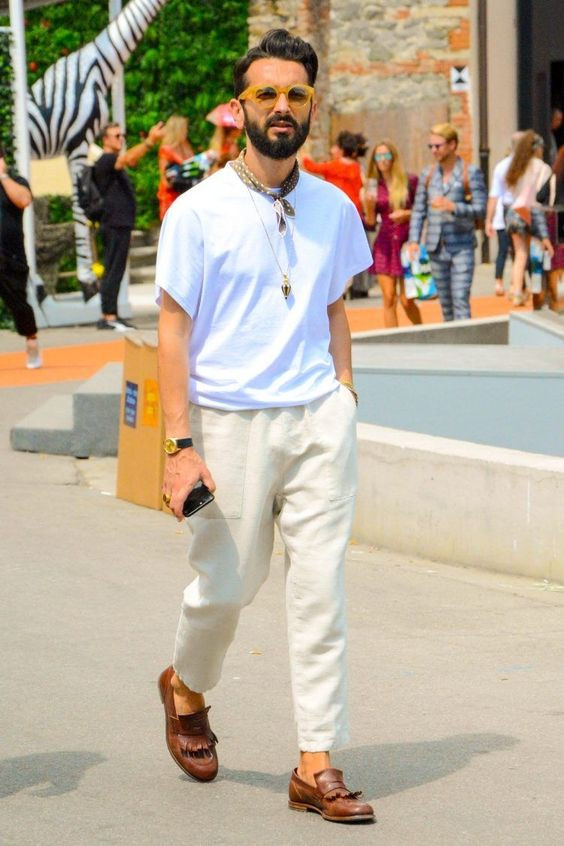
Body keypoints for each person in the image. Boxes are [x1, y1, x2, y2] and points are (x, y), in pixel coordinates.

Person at [155, 29, 375, 825]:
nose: (282, 108)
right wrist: (178, 447)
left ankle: (317, 763)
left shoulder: (335, 207)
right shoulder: (199, 211)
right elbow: (172, 332)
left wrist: (345, 394)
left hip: (317, 418)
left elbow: (333, 305)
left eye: (296, 95)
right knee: (229, 585)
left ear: (311, 106)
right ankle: (185, 686)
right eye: (266, 94)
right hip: (227, 421)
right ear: (241, 105)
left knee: (320, 591)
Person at [407, 123, 487, 321]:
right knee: (445, 304)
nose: (434, 150)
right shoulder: (428, 174)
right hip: (435, 247)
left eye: (438, 146)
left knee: (460, 299)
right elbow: (419, 210)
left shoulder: (471, 172)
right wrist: (414, 240)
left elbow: (481, 208)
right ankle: (452, 350)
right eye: (431, 146)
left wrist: (454, 207)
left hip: (462, 246)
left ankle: (467, 348)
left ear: (452, 145)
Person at [94, 120, 165, 330]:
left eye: (122, 135)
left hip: (120, 224)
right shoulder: (106, 160)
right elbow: (129, 158)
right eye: (116, 136)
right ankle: (108, 316)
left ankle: (111, 313)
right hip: (113, 223)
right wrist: (150, 141)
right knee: (113, 269)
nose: (121, 139)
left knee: (116, 269)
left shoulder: (112, 161)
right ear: (105, 140)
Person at [363, 139, 421, 327]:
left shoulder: (409, 181)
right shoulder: (372, 187)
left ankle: (424, 335)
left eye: (386, 155)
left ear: (393, 157)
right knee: (388, 298)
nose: (382, 160)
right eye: (378, 156)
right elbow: (370, 224)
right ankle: (392, 345)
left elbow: (422, 210)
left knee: (407, 299)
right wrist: (370, 208)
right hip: (384, 244)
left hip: (405, 244)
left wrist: (407, 213)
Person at [0, 150, 41, 368]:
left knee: (19, 304)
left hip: (11, 256)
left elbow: (24, 200)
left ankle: (31, 340)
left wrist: (2, 177)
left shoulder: (15, 181)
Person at [503, 131, 553, 306]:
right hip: (531, 212)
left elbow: (511, 191)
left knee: (520, 254)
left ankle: (516, 290)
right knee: (537, 253)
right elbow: (541, 194)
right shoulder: (542, 167)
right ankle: (538, 289)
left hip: (513, 211)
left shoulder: (517, 167)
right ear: (537, 148)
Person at [485, 133, 524, 297]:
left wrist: (489, 219)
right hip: (521, 214)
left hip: (503, 215)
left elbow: (494, 196)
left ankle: (501, 283)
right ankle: (518, 287)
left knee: (504, 251)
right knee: (520, 252)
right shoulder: (527, 165)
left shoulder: (501, 166)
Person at [302, 130, 363, 215]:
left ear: (341, 150)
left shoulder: (334, 165)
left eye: (335, 147)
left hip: (338, 207)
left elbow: (311, 167)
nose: (332, 150)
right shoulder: (356, 166)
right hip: (354, 208)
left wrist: (304, 153)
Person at [157, 115, 194, 220]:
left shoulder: (185, 146)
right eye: (184, 128)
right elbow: (164, 179)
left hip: (185, 193)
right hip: (171, 197)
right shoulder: (166, 150)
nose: (186, 131)